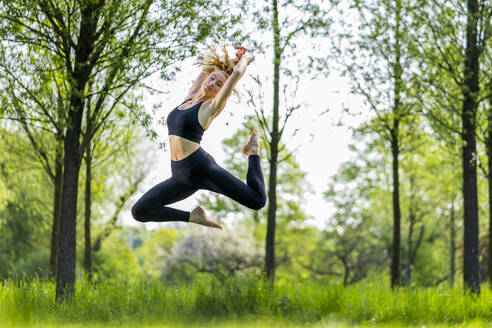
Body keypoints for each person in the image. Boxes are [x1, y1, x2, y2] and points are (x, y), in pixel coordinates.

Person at [131, 43, 266, 229]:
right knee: (139, 212)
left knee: (257, 200)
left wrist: (246, 59)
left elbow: (235, 75)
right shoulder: (191, 96)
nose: (212, 83)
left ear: (222, 91)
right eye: (212, 79)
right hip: (180, 174)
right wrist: (230, 61)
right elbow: (208, 69)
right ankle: (193, 216)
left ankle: (253, 152)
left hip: (201, 169)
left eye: (219, 84)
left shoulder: (210, 108)